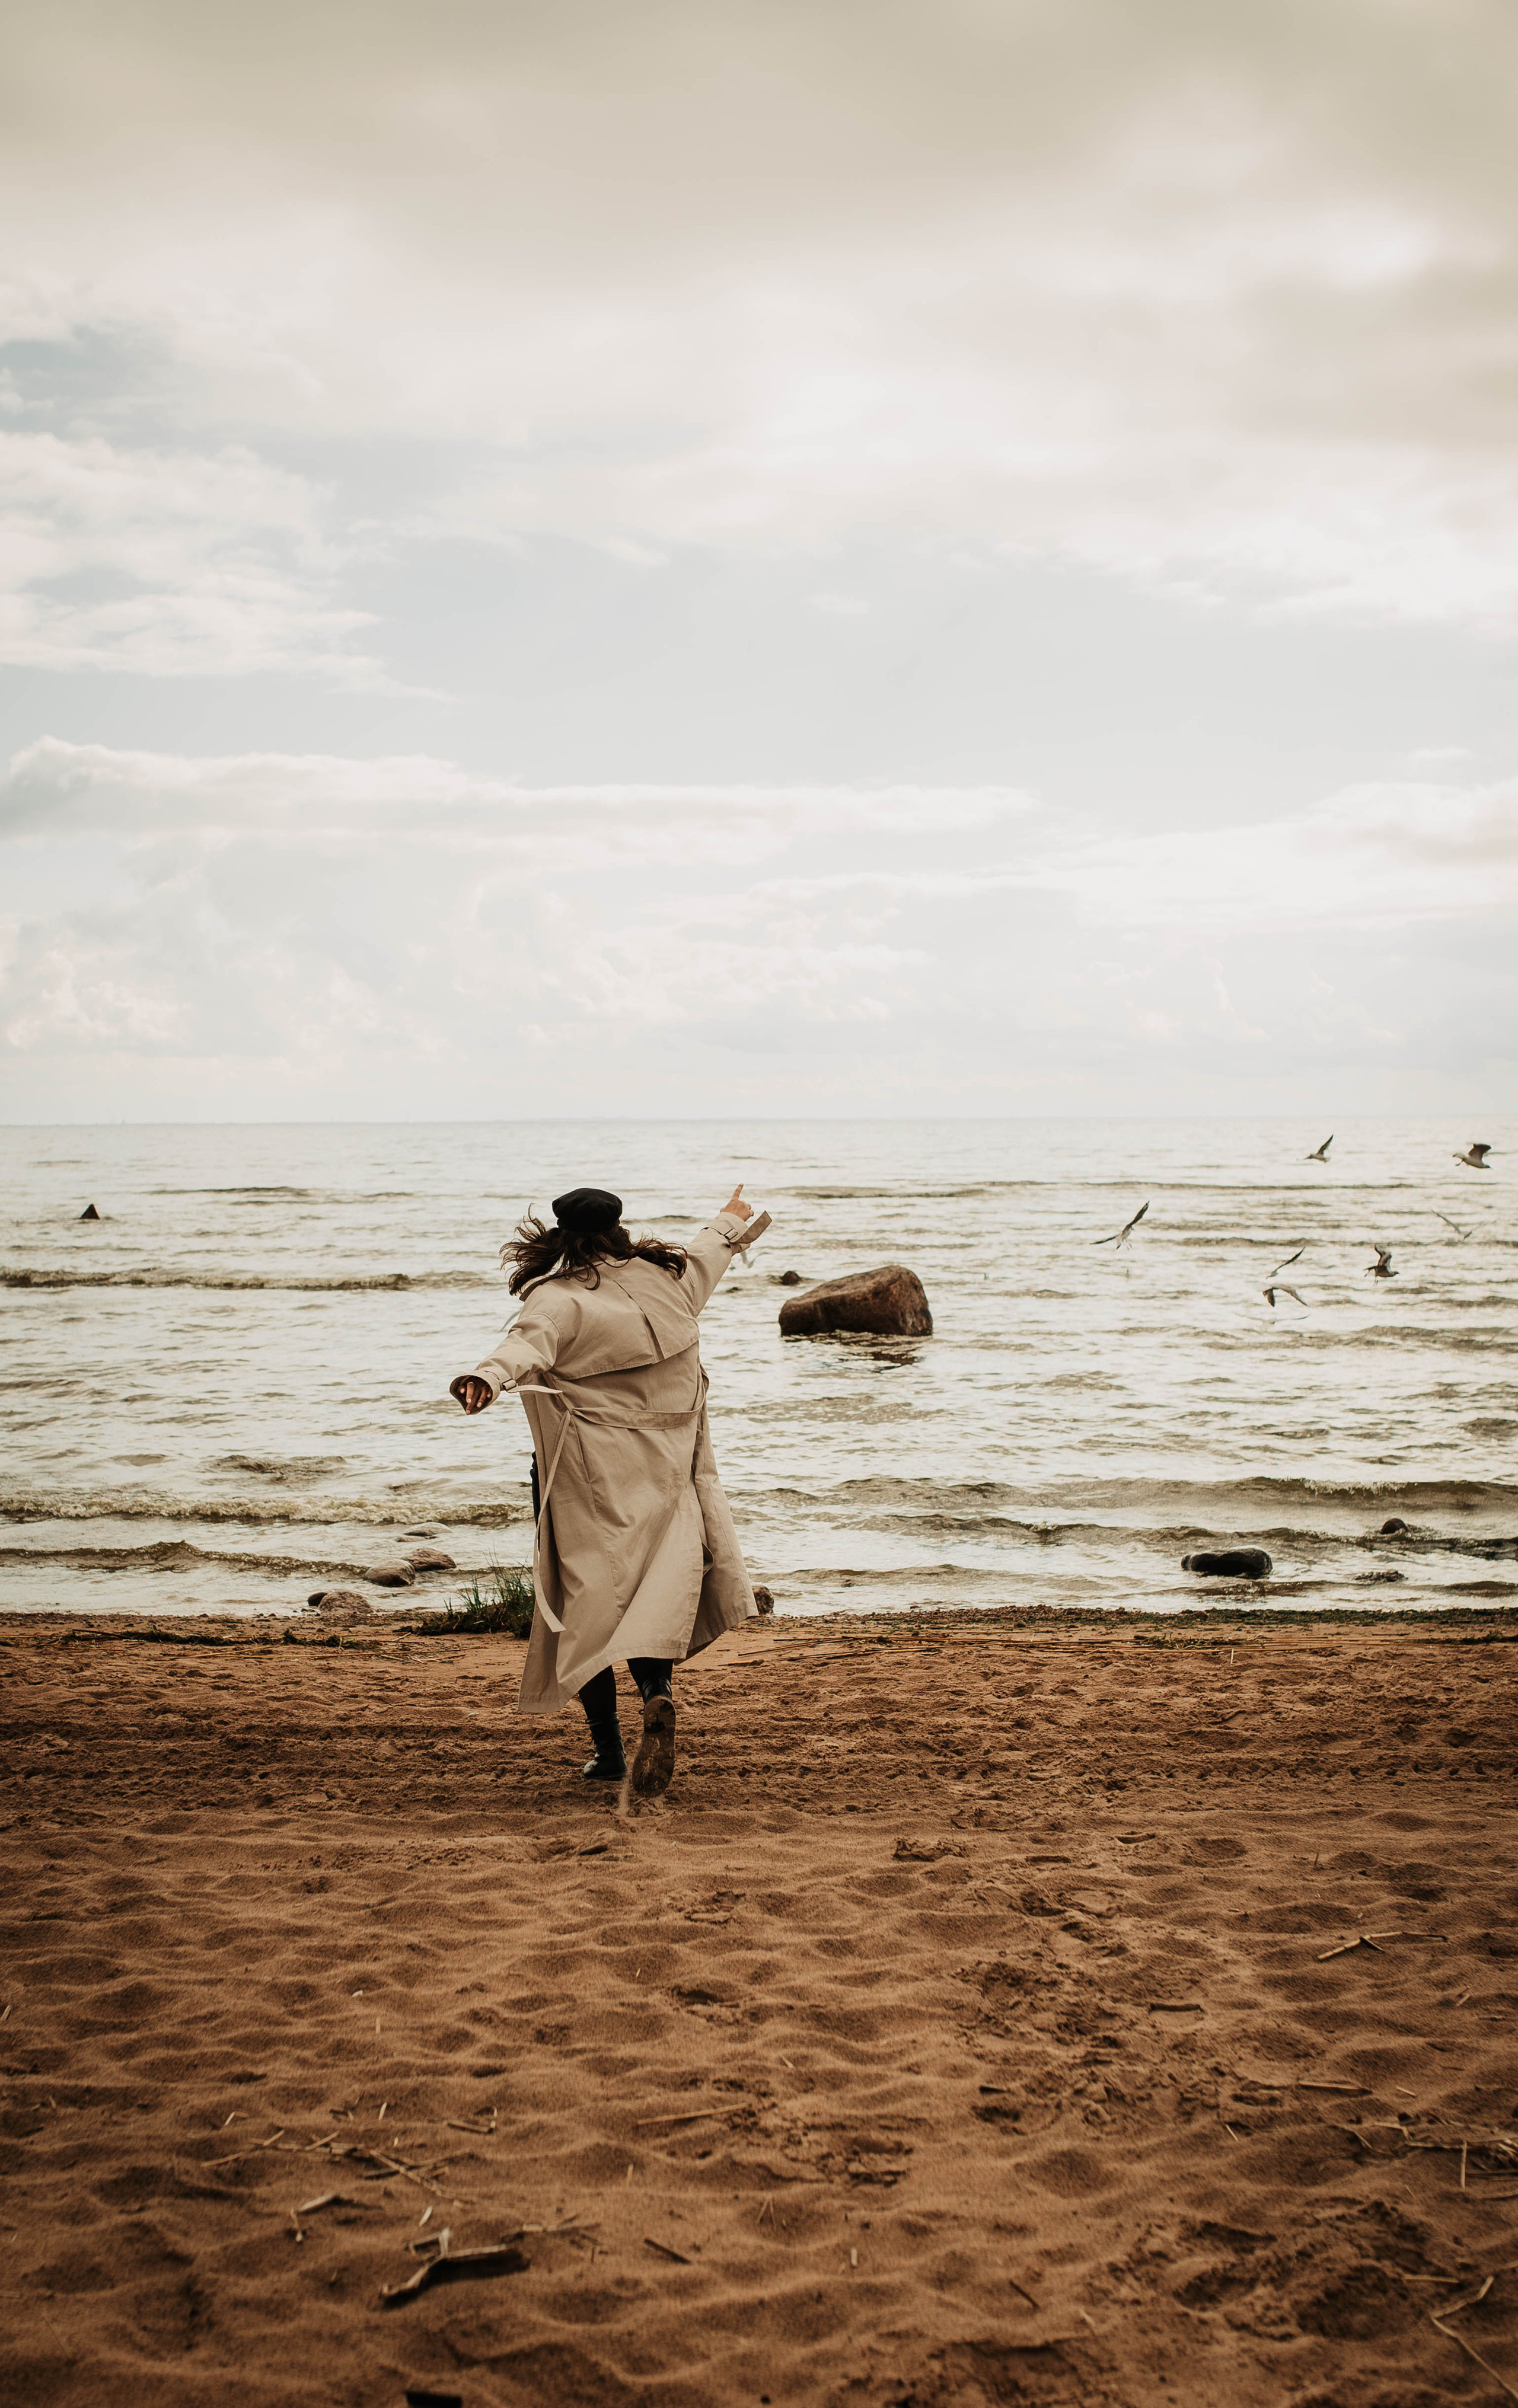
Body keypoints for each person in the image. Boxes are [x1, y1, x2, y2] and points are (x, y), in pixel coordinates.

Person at [449, 1183, 761, 1795]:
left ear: (561, 1236)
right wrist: (730, 1220)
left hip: (586, 1474)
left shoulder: (559, 1299)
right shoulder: (662, 1282)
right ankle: (656, 1691)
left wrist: (485, 1377)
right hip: (665, 1471)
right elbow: (704, 1259)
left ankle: (610, 1749)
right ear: (619, 1228)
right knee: (650, 1592)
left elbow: (526, 1342)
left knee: (580, 1607)